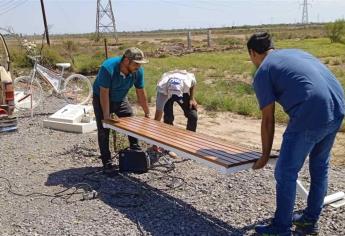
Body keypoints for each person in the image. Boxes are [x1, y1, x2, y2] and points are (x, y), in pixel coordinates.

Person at [247, 32, 345, 235]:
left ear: (253, 53)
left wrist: (264, 157)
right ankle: (309, 221)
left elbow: (268, 119)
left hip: (310, 114)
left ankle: (281, 227)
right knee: (319, 167)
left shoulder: (263, 71)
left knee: (285, 172)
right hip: (337, 108)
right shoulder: (296, 52)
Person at [92, 47, 150, 174]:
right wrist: (106, 116)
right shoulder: (108, 68)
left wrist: (147, 112)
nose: (138, 67)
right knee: (104, 129)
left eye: (140, 64)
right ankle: (107, 162)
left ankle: (135, 151)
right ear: (126, 61)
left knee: (131, 121)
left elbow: (140, 92)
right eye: (136, 64)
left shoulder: (137, 72)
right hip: (101, 97)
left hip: (120, 98)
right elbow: (104, 93)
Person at [153, 69, 198, 154]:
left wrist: (191, 98)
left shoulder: (186, 82)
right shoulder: (161, 89)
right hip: (166, 92)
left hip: (182, 89)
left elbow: (193, 83)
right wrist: (154, 142)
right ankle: (169, 145)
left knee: (193, 115)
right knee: (168, 118)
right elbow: (157, 118)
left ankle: (189, 143)